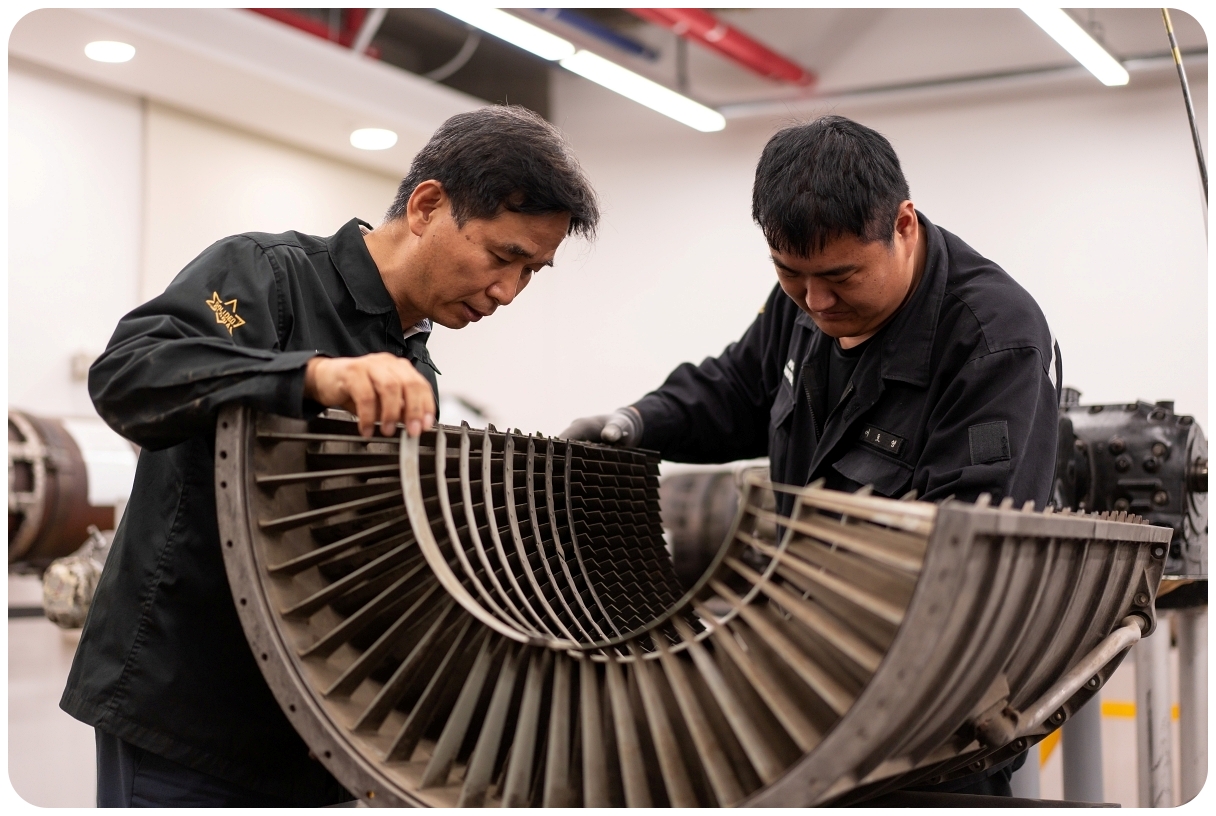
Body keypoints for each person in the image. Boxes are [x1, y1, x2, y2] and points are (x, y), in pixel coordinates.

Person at [62, 105, 599, 807]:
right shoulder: (265, 275)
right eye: (503, 258)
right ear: (427, 206)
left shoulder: (415, 366)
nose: (508, 292)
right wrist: (311, 375)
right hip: (188, 715)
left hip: (320, 730)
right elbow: (130, 375)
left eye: (531, 272)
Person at [563, 114, 1060, 796]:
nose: (816, 302)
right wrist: (635, 422)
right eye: (789, 273)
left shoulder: (994, 339)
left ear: (902, 225)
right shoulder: (804, 299)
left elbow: (970, 558)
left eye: (841, 276)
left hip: (927, 731)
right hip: (810, 698)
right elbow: (739, 389)